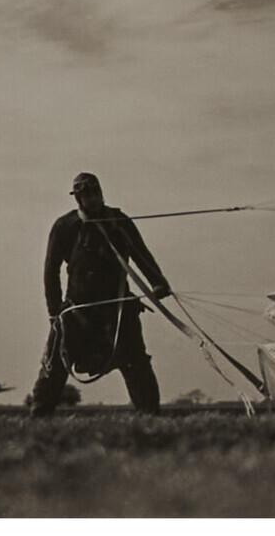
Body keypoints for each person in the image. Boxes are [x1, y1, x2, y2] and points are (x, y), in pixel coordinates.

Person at [36, 172, 174, 416]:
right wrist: (54, 311)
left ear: (101, 192)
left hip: (118, 311)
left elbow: (141, 253)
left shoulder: (118, 221)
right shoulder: (65, 226)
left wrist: (158, 282)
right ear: (77, 198)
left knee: (137, 364)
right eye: (85, 194)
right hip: (76, 312)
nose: (90, 198)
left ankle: (150, 417)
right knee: (54, 366)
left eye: (94, 192)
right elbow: (51, 269)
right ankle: (38, 417)